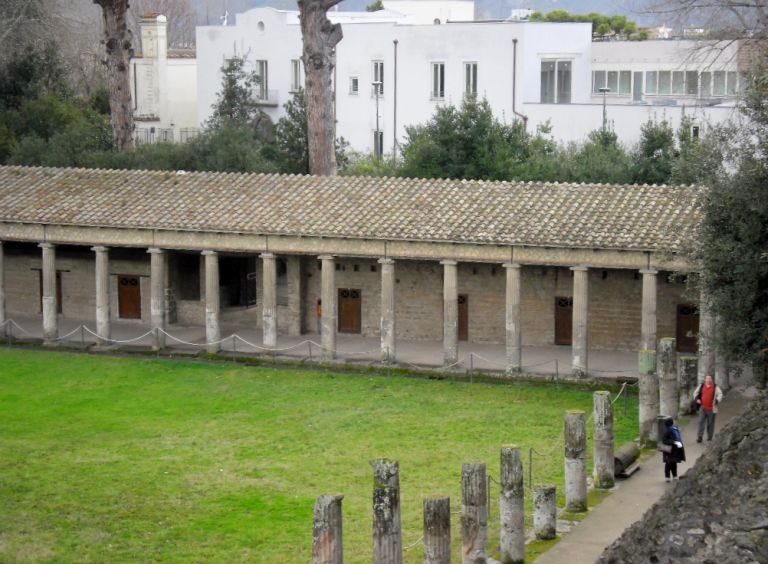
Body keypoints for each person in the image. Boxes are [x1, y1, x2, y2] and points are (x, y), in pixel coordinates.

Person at [694, 373, 724, 443]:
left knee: (710, 423)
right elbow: (695, 393)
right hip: (703, 407)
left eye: (709, 378)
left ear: (712, 379)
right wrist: (696, 399)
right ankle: (699, 437)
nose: (708, 380)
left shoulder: (715, 387)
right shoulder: (701, 386)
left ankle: (709, 437)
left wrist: (716, 400)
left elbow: (720, 394)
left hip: (712, 408)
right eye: (707, 378)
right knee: (701, 422)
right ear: (705, 379)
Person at [661, 417, 685, 482]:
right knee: (668, 464)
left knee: (674, 463)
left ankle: (674, 475)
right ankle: (667, 477)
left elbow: (678, 437)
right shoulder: (667, 431)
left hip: (674, 451)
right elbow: (664, 440)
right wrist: (674, 442)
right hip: (669, 451)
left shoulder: (674, 429)